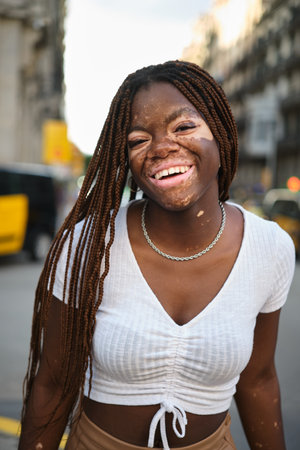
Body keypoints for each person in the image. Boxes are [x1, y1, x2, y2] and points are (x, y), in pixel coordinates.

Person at [19, 60, 295, 450]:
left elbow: (259, 379)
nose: (162, 147)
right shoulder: (87, 243)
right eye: (137, 140)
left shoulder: (270, 247)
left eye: (183, 127)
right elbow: (52, 382)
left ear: (221, 132)